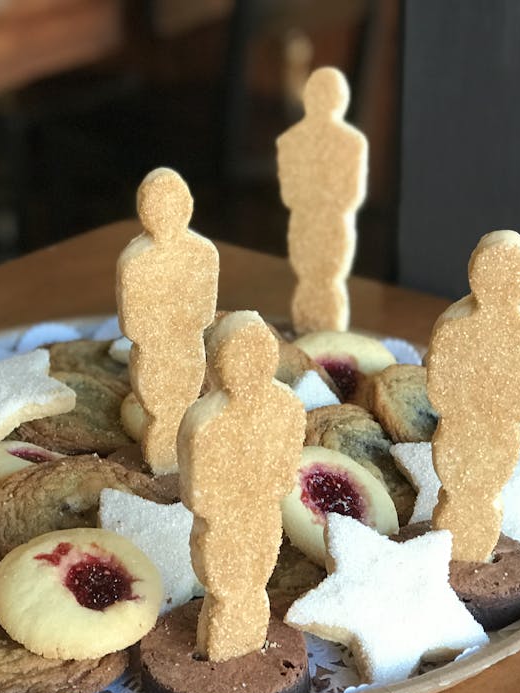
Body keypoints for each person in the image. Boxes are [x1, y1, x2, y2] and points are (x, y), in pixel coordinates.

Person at [178, 311, 305, 661]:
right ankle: (222, 639)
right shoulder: (208, 421)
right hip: (223, 523)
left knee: (257, 573)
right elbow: (200, 493)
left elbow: (283, 474)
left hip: (262, 514)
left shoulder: (286, 407)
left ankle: (246, 633)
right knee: (225, 582)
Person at [427, 231, 520, 561]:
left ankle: (471, 549)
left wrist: (489, 406)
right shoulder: (454, 327)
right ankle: (457, 547)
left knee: (483, 492)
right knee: (458, 490)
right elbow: (440, 391)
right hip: (459, 429)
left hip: (498, 432)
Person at [117, 168, 219, 475]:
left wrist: (180, 326)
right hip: (153, 349)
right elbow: (133, 322)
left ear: (187, 206)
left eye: (173, 204)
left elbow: (204, 310)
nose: (166, 214)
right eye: (157, 206)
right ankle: (164, 458)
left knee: (186, 398)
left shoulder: (202, 253)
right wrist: (157, 335)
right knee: (160, 408)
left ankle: (181, 458)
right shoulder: (137, 259)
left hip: (187, 345)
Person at [277, 67, 367, 333]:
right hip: (311, 222)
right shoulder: (295, 141)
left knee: (327, 280)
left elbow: (350, 194)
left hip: (326, 223)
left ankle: (326, 336)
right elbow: (292, 192)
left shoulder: (350, 142)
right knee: (313, 279)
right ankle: (308, 332)